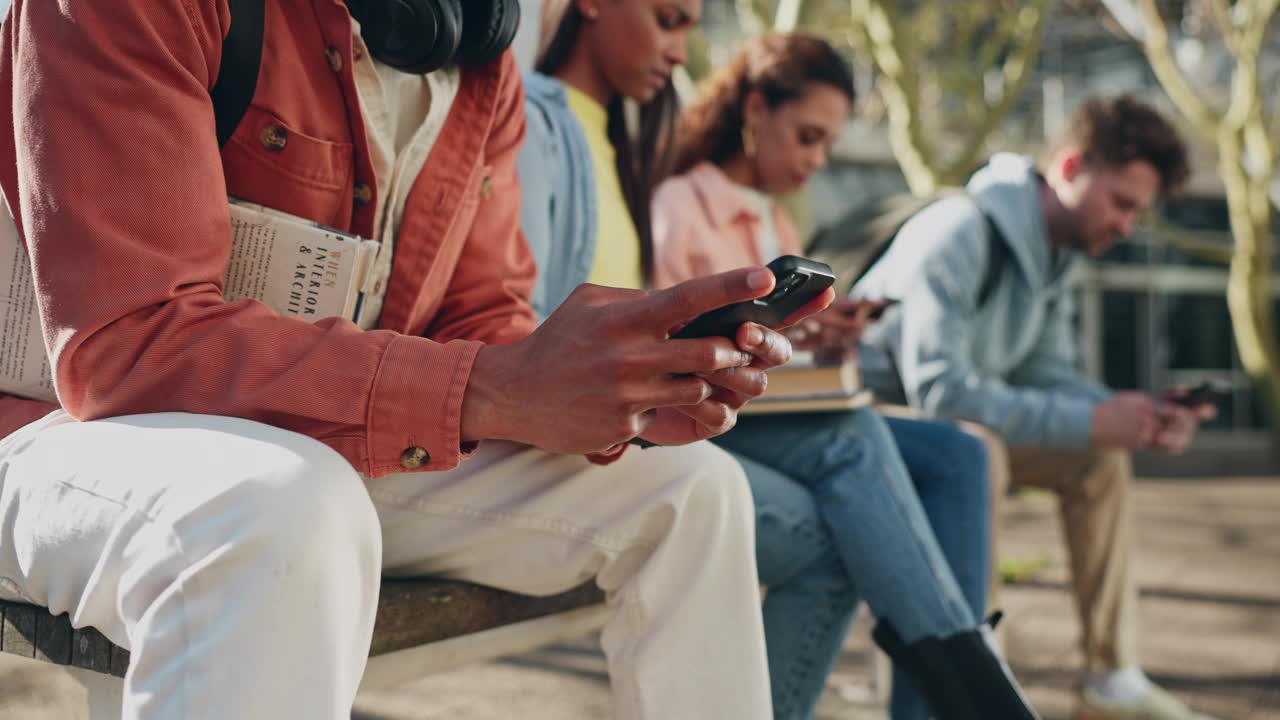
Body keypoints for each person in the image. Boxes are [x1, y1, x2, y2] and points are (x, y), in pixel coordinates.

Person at [0, 2, 835, 718]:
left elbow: (477, 318)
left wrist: (610, 383)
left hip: (323, 448)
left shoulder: (476, 57)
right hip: (54, 429)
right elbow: (129, 346)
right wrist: (492, 387)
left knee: (693, 493)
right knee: (282, 505)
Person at [519, 7, 1037, 717]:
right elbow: (641, 329)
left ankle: (961, 689)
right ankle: (978, 694)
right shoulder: (663, 191)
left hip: (747, 400)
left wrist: (816, 340)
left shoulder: (732, 196)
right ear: (755, 111)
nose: (817, 160)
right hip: (682, 412)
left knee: (953, 453)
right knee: (853, 459)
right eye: (809, 137)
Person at [854, 95, 1218, 720]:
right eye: (1122, 203)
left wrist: (1124, 412)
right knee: (977, 448)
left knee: (1098, 459)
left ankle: (1111, 678)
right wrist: (1089, 417)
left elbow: (1043, 373)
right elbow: (940, 393)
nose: (1128, 225)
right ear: (1070, 166)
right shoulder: (960, 231)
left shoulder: (1056, 254)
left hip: (953, 429)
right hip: (874, 432)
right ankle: (979, 658)